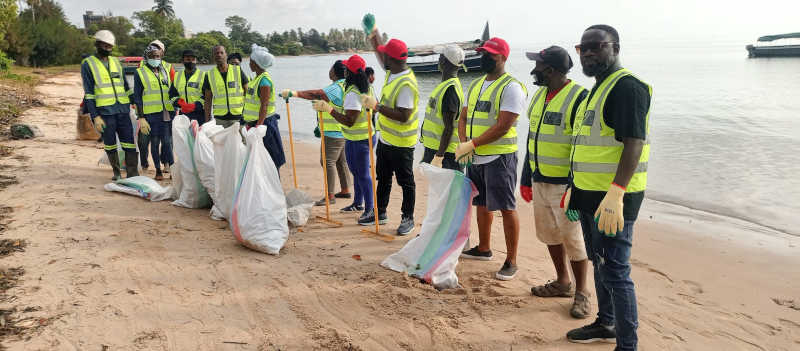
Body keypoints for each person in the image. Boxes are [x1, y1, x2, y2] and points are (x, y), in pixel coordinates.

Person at [563, 25, 652, 350]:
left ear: (614, 47)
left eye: (596, 46)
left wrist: (616, 192)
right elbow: (587, 147)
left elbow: (634, 143)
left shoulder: (627, 88)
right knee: (598, 263)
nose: (587, 53)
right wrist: (574, 190)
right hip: (588, 196)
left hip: (613, 199)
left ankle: (627, 344)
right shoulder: (597, 90)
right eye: (581, 47)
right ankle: (606, 322)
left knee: (615, 270)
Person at [519, 46, 590, 318]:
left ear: (550, 70)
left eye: (537, 66)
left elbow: (582, 146)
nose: (533, 71)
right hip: (540, 179)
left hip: (565, 185)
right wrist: (526, 177)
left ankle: (582, 292)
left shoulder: (578, 98)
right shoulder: (539, 96)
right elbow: (532, 138)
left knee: (573, 239)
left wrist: (575, 188)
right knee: (549, 234)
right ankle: (562, 282)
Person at [455, 37, 527, 281]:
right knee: (482, 204)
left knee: (506, 207)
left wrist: (472, 144)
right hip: (475, 158)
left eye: (491, 55)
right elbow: (463, 117)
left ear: (503, 58)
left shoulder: (511, 87)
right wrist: (464, 143)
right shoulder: (475, 84)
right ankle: (483, 248)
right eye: (483, 54)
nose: (485, 58)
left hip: (499, 158)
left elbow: (503, 126)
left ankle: (511, 260)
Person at [361, 17, 419, 235]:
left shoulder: (406, 83)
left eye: (385, 55)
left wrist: (376, 107)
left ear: (392, 59)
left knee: (406, 182)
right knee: (383, 177)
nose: (381, 56)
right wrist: (374, 32)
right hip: (386, 139)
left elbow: (403, 116)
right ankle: (380, 212)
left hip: (402, 143)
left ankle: (408, 218)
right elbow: (379, 51)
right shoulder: (392, 71)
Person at [309, 55, 376, 222]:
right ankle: (357, 203)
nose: (343, 70)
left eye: (346, 68)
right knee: (355, 171)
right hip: (356, 137)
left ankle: (370, 209)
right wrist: (331, 107)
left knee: (363, 174)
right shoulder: (363, 87)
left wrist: (329, 110)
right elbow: (354, 111)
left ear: (349, 72)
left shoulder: (354, 92)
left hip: (361, 138)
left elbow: (349, 121)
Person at [281, 60, 352, 206]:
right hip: (343, 131)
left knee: (327, 162)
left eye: (331, 67)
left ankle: (330, 195)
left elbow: (317, 94)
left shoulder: (336, 87)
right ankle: (345, 189)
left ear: (335, 71)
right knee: (340, 161)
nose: (330, 70)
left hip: (333, 133)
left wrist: (294, 93)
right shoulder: (347, 85)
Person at [81, 30, 138, 181]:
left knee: (129, 143)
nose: (107, 48)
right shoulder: (88, 64)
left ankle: (132, 174)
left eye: (109, 46)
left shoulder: (116, 62)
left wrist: (136, 103)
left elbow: (125, 86)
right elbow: (89, 93)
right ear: (97, 44)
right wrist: (95, 116)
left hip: (123, 110)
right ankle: (117, 173)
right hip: (105, 112)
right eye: (104, 45)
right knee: (110, 144)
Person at [133, 44, 175, 181]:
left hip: (167, 112)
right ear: (147, 57)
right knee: (155, 143)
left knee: (168, 143)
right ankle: (158, 170)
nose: (155, 58)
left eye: (157, 56)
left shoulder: (165, 71)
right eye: (152, 56)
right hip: (151, 114)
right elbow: (137, 97)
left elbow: (172, 90)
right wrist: (141, 117)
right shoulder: (140, 72)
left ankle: (172, 169)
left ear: (161, 56)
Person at [420, 44, 465, 171]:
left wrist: (439, 156)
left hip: (446, 155)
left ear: (444, 61)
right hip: (437, 149)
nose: (438, 59)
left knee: (447, 191)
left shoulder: (450, 90)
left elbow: (449, 128)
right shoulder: (447, 85)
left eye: (440, 56)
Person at [243, 44, 286, 171]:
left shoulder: (264, 81)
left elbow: (264, 106)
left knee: (271, 159)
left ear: (257, 63)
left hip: (265, 124)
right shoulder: (256, 79)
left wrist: (258, 127)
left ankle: (275, 187)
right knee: (258, 160)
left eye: (251, 61)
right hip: (255, 123)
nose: (249, 64)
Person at [203, 45, 249, 127]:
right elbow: (208, 100)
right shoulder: (209, 75)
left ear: (226, 55)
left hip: (238, 118)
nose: (219, 55)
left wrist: (247, 114)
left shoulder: (237, 70)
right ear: (213, 57)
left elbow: (248, 93)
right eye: (216, 53)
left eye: (221, 53)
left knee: (240, 140)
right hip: (220, 120)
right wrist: (207, 121)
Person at [170, 50, 206, 124]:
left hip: (200, 115)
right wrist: (179, 102)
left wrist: (195, 105)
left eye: (193, 59)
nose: (191, 62)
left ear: (196, 61)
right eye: (188, 59)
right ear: (183, 61)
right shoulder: (177, 76)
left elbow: (207, 97)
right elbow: (172, 95)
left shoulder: (204, 75)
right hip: (183, 115)